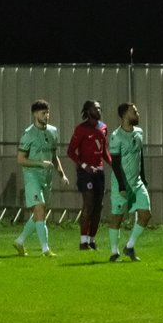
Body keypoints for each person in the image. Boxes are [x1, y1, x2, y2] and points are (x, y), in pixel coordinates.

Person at [14, 100, 67, 257]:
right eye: (43, 113)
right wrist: (39, 163)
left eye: (48, 112)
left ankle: (19, 241)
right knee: (40, 208)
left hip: (46, 178)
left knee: (40, 214)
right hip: (32, 176)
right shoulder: (28, 134)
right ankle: (45, 249)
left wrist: (62, 174)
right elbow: (20, 159)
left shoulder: (52, 131)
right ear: (35, 114)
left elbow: (54, 156)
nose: (47, 116)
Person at [106, 102, 151, 262]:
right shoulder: (116, 136)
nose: (138, 114)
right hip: (121, 183)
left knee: (146, 215)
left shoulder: (139, 132)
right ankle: (114, 253)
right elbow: (115, 163)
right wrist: (122, 185)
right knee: (118, 216)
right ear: (125, 115)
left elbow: (141, 155)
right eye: (135, 112)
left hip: (137, 182)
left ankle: (129, 246)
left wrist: (143, 177)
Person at [68, 100, 111, 252]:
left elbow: (104, 150)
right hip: (85, 172)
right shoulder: (81, 129)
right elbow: (71, 152)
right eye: (96, 108)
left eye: (100, 107)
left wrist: (113, 163)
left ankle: (92, 241)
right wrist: (84, 166)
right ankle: (83, 242)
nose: (99, 110)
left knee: (99, 206)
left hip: (99, 172)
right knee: (88, 204)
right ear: (88, 111)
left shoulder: (103, 127)